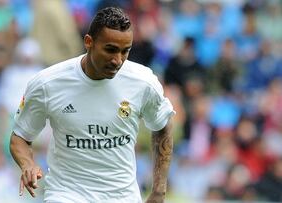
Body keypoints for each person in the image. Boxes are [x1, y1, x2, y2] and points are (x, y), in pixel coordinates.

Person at [9, 7, 175, 203]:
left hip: (122, 197)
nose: (117, 60)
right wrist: (27, 164)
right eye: (110, 49)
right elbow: (20, 137)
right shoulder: (48, 84)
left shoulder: (142, 82)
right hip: (66, 194)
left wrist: (159, 190)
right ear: (89, 42)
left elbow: (162, 126)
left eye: (125, 51)